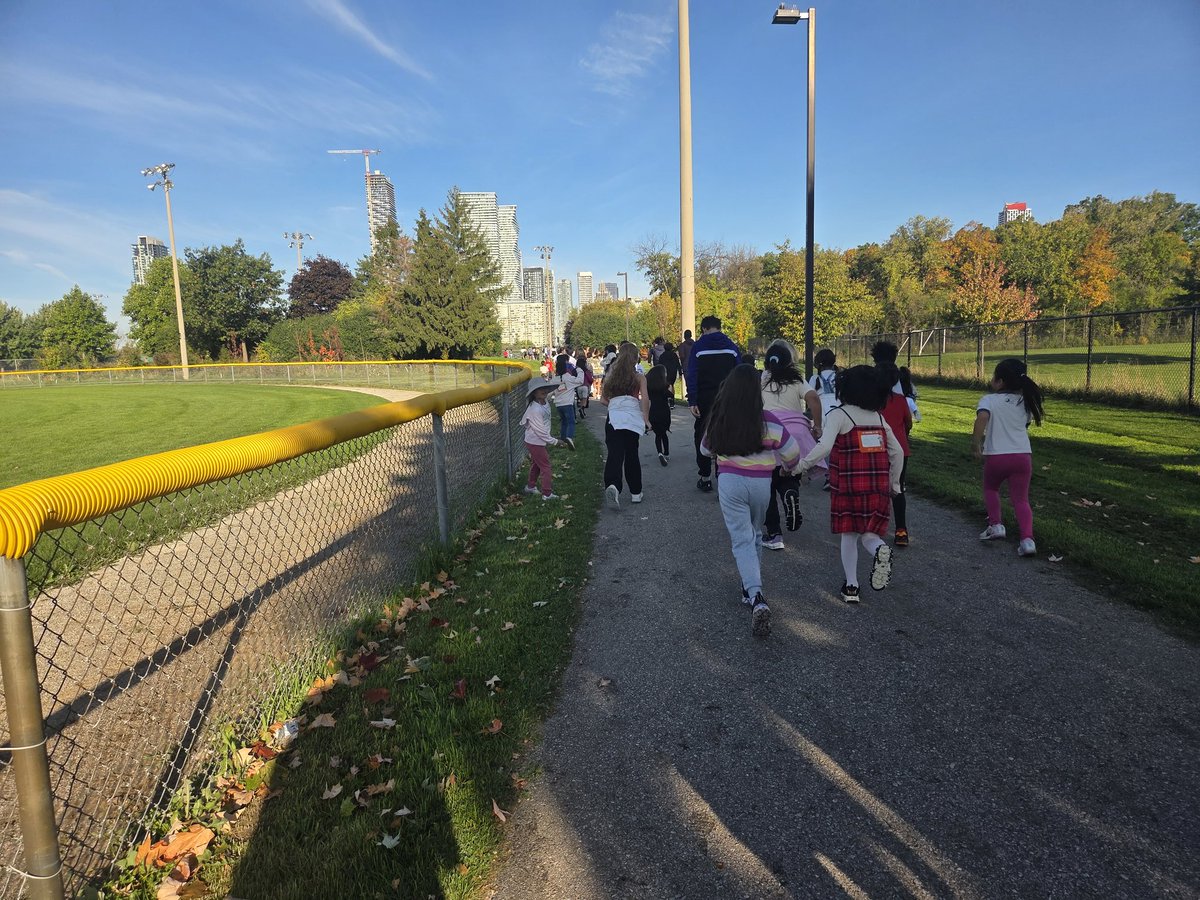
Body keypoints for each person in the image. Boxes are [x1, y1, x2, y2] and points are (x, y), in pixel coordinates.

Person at [701, 365, 802, 638]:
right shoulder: (768, 420)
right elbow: (793, 454)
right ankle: (750, 588)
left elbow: (705, 448)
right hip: (762, 485)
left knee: (742, 539)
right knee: (755, 534)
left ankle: (756, 596)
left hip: (731, 482)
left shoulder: (720, 418)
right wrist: (787, 468)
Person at [796, 366, 903, 604]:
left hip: (848, 486)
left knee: (849, 535)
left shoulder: (839, 415)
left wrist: (802, 465)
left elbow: (824, 447)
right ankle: (879, 550)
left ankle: (852, 586)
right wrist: (894, 483)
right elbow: (897, 452)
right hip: (877, 487)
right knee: (869, 535)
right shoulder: (878, 418)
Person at [973, 358, 1045, 557]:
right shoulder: (1026, 402)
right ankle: (1028, 540)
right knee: (1021, 499)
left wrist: (976, 444)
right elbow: (1024, 426)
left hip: (997, 456)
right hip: (1022, 456)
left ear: (1000, 381)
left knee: (990, 488)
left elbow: (982, 419)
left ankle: (996, 525)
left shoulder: (988, 400)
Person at [760, 341, 824, 551]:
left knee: (768, 484)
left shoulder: (762, 379)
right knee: (790, 473)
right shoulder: (797, 379)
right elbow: (813, 398)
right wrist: (817, 426)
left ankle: (774, 533)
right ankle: (791, 493)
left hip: (770, 431)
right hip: (796, 433)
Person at [685, 316, 740, 493]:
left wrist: (692, 399)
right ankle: (722, 473)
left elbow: (691, 374)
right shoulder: (732, 347)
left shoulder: (698, 347)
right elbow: (740, 373)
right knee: (726, 434)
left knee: (702, 433)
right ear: (719, 327)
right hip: (728, 398)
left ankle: (705, 475)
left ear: (704, 329)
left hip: (705, 397)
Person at [602, 343, 650, 509]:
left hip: (614, 416)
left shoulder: (610, 376)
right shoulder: (639, 377)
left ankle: (613, 485)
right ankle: (636, 492)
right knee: (632, 454)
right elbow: (644, 399)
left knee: (615, 454)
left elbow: (602, 400)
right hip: (631, 418)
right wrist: (646, 418)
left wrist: (615, 407)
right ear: (636, 358)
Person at [878, 362, 914, 547]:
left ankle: (874, 526)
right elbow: (908, 423)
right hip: (900, 449)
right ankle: (901, 530)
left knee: (876, 487)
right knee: (898, 488)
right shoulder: (900, 400)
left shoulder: (872, 400)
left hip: (877, 449)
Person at [521, 377, 565, 500]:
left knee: (537, 464)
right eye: (539, 389)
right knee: (546, 466)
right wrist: (555, 441)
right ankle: (547, 493)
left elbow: (544, 426)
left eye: (545, 388)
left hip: (538, 440)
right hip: (534, 441)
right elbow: (540, 430)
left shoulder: (545, 403)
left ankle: (530, 486)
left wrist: (549, 439)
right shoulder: (535, 409)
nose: (543, 391)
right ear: (534, 393)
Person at [807, 348, 840, 491]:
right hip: (839, 410)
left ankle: (827, 474)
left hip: (822, 411)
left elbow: (810, 398)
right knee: (838, 444)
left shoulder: (815, 379)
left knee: (824, 443)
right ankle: (837, 474)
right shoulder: (840, 376)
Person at [552, 354, 584, 451]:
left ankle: (562, 440)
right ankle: (569, 437)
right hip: (568, 404)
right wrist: (579, 370)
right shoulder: (568, 378)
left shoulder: (554, 380)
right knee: (571, 422)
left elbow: (551, 391)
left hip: (558, 405)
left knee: (564, 422)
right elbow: (580, 381)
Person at [646, 364, 672, 466]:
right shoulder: (664, 387)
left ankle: (660, 453)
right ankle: (666, 453)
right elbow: (671, 396)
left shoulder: (650, 387)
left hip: (654, 412)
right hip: (664, 412)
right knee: (664, 434)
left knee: (657, 435)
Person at [660, 341, 681, 409]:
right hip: (673, 372)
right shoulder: (674, 355)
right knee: (671, 385)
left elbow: (660, 365)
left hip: (665, 373)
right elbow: (678, 364)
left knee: (665, 386)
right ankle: (672, 401)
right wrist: (680, 372)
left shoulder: (662, 356)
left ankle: (666, 400)